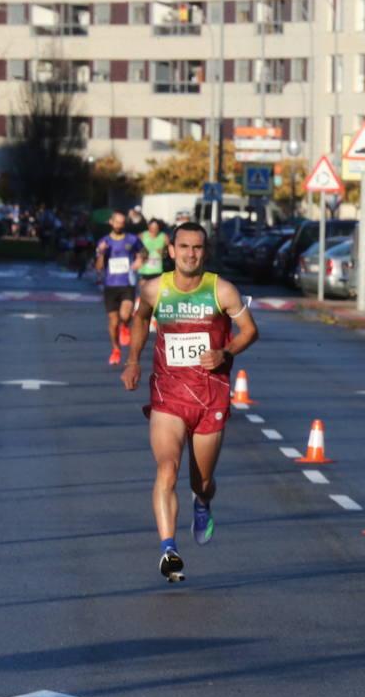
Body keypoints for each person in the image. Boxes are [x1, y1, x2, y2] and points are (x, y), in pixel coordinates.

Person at [119, 222, 259, 583]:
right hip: (169, 394)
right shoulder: (154, 288)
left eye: (197, 248)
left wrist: (225, 351)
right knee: (167, 468)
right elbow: (140, 318)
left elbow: (250, 331)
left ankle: (202, 503)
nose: (190, 254)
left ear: (204, 252)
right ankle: (169, 549)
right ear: (171, 251)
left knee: (202, 480)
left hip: (210, 395)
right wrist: (133, 359)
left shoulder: (222, 290)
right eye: (183, 247)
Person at [95, 210, 146, 364]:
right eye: (117, 222)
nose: (119, 225)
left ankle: (125, 326)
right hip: (110, 285)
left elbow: (144, 251)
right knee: (113, 322)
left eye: (122, 223)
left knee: (125, 315)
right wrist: (102, 253)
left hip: (127, 283)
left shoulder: (131, 239)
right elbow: (98, 267)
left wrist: (140, 261)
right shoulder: (104, 241)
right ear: (111, 222)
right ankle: (116, 348)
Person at [121, 219, 170, 348]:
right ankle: (139, 314)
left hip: (157, 269)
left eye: (156, 227)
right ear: (148, 227)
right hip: (144, 269)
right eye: (152, 227)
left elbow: (170, 251)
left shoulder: (163, 237)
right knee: (144, 293)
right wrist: (138, 257)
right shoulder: (142, 236)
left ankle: (153, 320)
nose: (154, 229)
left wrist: (164, 252)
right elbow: (133, 248)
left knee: (157, 296)